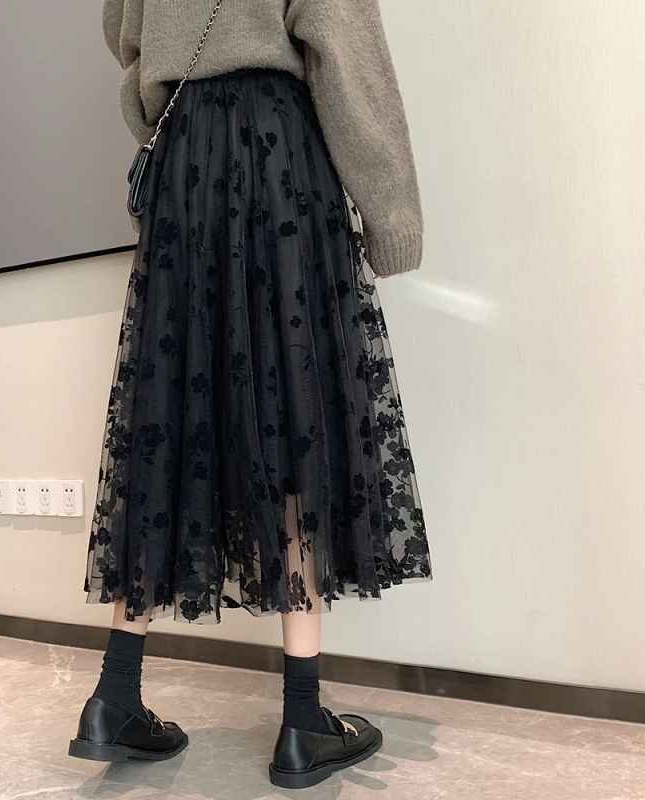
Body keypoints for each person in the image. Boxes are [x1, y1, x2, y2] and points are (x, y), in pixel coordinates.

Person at [69, 0, 433, 789]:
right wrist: (392, 216)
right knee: (292, 415)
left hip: (185, 168)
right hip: (277, 156)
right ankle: (302, 718)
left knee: (168, 419)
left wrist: (170, 109)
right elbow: (345, 52)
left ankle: (115, 694)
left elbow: (125, 38)